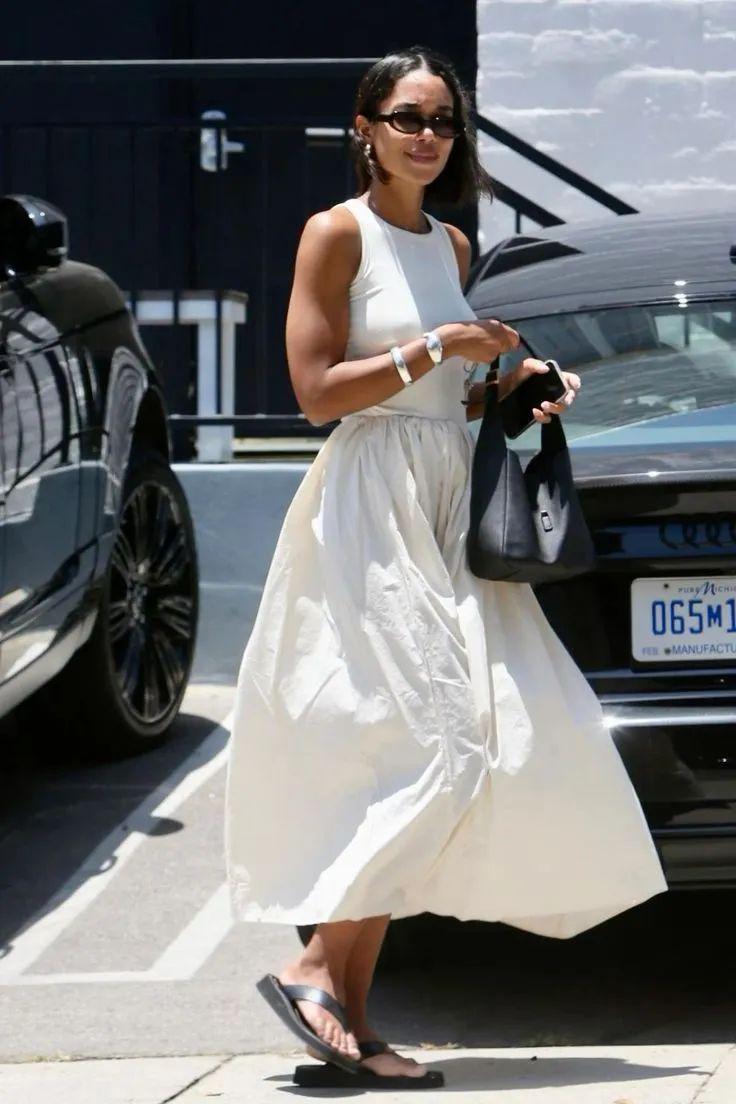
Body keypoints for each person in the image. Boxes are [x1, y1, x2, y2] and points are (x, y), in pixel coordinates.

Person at [224, 44, 668, 1088]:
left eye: (442, 121)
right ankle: (313, 970)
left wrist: (508, 390)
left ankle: (348, 1016)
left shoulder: (451, 242)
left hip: (442, 500)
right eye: (407, 117)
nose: (427, 136)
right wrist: (440, 347)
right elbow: (317, 393)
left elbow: (441, 399)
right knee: (426, 746)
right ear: (366, 128)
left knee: (452, 741)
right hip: (367, 505)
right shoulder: (337, 232)